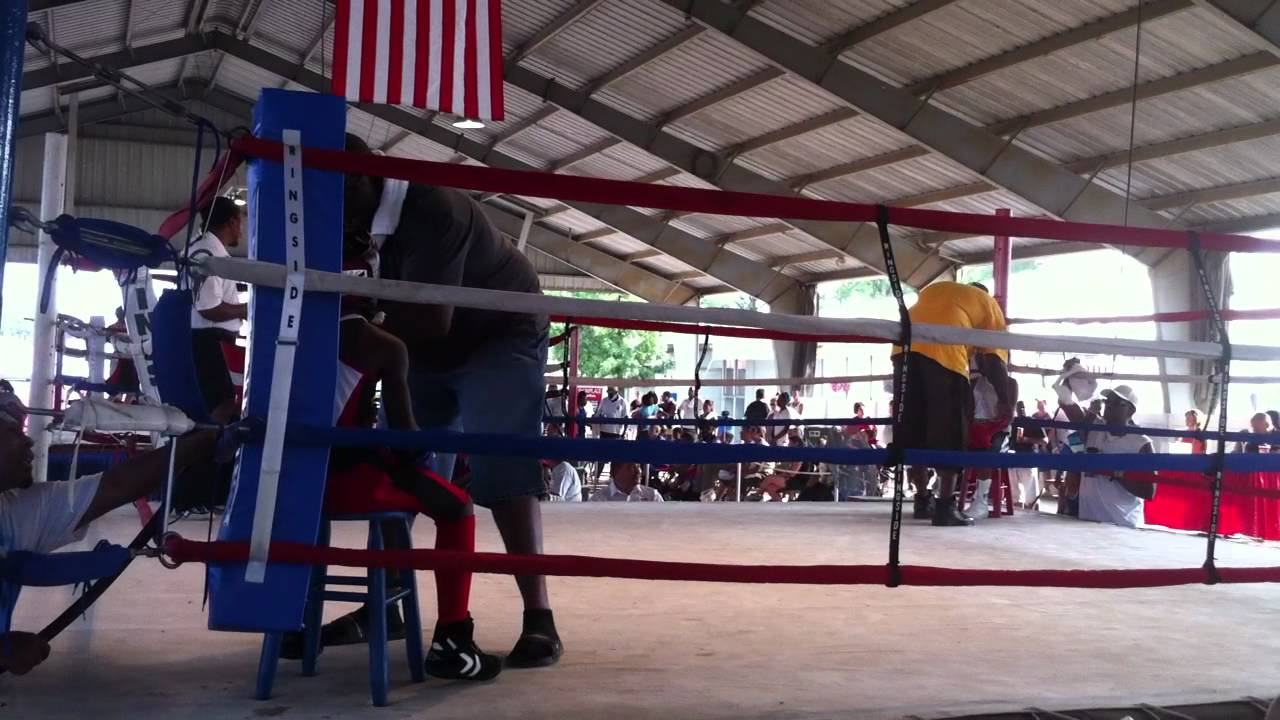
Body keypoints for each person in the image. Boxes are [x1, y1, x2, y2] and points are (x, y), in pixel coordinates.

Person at [343, 134, 559, 668]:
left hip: (498, 331)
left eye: (336, 190)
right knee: (403, 459)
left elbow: (429, 320)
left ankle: (540, 618)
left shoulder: (433, 207)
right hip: (418, 343)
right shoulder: (351, 217)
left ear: (363, 178)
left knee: (502, 464)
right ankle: (388, 601)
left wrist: (361, 320)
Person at [292, 231, 503, 680]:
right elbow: (407, 441)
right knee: (455, 505)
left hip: (291, 480)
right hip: (347, 482)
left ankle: (292, 621)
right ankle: (451, 639)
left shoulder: (285, 327)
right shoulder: (384, 346)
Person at [0, 392, 221, 675]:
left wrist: (203, 441)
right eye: (12, 432)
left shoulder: (15, 509)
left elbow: (118, 486)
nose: (28, 440)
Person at [892, 281, 1012, 527]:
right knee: (951, 432)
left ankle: (922, 499)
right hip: (945, 356)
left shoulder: (939, 289)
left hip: (902, 351)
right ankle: (945, 507)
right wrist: (1006, 400)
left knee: (915, 427)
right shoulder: (988, 304)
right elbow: (993, 361)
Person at [1057, 381, 1154, 528]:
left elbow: (1149, 491)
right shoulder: (1094, 427)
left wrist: (1116, 473)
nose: (1109, 405)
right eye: (1107, 401)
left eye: (1116, 403)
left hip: (1123, 524)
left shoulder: (1141, 443)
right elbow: (1065, 401)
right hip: (1087, 521)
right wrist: (1071, 376)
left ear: (1130, 411)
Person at [187, 196, 247, 416]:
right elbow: (208, 308)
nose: (241, 230)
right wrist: (247, 310)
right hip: (210, 341)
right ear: (232, 222)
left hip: (208, 339)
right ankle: (211, 450)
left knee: (219, 403)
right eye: (240, 222)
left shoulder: (200, 245)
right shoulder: (209, 253)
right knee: (223, 405)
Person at [590, 462, 664, 502]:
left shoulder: (652, 497)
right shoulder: (599, 500)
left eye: (638, 466)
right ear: (614, 472)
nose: (638, 471)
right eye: (631, 467)